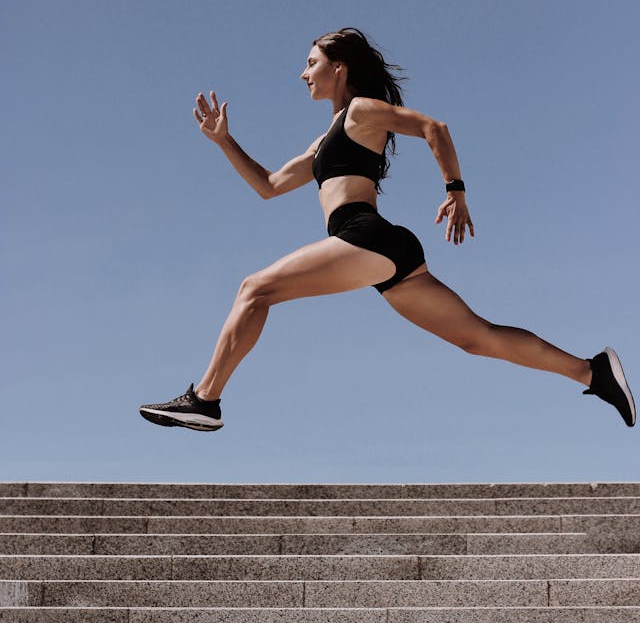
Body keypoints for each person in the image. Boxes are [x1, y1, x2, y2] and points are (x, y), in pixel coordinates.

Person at [139, 27, 635, 431]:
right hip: (385, 253)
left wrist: (455, 189)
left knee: (254, 289)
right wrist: (225, 142)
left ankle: (205, 399)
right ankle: (592, 371)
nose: (302, 73)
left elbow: (433, 128)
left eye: (311, 62)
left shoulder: (361, 110)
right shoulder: (324, 139)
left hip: (364, 237)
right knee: (477, 338)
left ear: (339, 67)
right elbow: (268, 185)